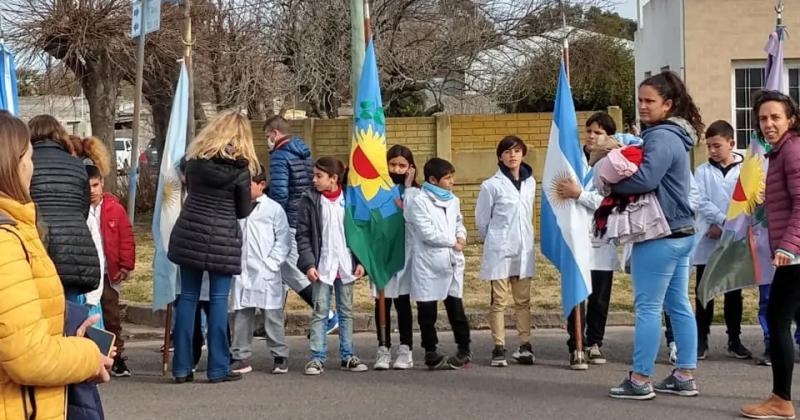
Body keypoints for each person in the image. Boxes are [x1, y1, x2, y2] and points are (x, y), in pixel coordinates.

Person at [0, 111, 113, 419]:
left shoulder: (20, 229)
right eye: (30, 158)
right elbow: (28, 355)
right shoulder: (6, 241)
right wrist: (87, 355)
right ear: (15, 163)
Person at [607, 71, 702, 400]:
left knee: (648, 307)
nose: (643, 107)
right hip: (682, 232)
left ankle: (639, 379)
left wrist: (610, 185)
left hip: (659, 233)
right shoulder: (677, 135)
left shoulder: (661, 136)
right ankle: (684, 375)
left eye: (650, 101)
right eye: (640, 101)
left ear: (669, 104)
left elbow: (646, 178)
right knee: (678, 304)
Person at [168, 110, 259, 384]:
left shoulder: (194, 162)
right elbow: (242, 212)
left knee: (187, 298)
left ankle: (182, 367)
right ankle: (218, 367)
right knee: (219, 301)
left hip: (189, 232)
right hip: (222, 238)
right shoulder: (240, 171)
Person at [554, 112, 639, 370]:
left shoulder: (616, 162)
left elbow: (611, 203)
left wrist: (580, 194)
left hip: (602, 239)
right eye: (589, 131)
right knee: (577, 293)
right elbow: (560, 193)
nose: (592, 136)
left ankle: (594, 342)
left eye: (599, 132)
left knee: (600, 296)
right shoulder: (571, 160)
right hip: (576, 238)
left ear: (609, 137)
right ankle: (576, 343)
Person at [740, 91, 800, 419]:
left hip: (796, 256)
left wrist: (788, 246)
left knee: (777, 322)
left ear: (791, 119)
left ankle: (781, 400)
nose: (769, 124)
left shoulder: (792, 151)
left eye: (776, 117)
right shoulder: (781, 152)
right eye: (763, 118)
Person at [264, 115, 338, 333]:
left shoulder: (279, 155)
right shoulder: (304, 153)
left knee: (292, 270)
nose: (267, 140)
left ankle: (328, 315)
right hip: (303, 213)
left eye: (267, 136)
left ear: (275, 134)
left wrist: (272, 218)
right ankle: (271, 323)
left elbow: (280, 191)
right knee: (281, 272)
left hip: (288, 218)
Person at [297, 157, 368, 375]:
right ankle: (317, 357)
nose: (314, 180)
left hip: (345, 264)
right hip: (322, 266)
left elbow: (361, 232)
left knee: (346, 311)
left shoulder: (350, 199)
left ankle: (348, 355)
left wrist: (361, 262)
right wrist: (309, 263)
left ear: (334, 178)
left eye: (319, 176)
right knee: (320, 311)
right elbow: (303, 235)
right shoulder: (310, 199)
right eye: (314, 175)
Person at [687, 120, 751, 360]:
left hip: (735, 238)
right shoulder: (703, 171)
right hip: (709, 236)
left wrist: (730, 225)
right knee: (705, 290)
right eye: (709, 147)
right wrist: (720, 221)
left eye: (717, 146)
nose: (712, 151)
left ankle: (734, 339)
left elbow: (747, 201)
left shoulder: (745, 170)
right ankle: (701, 338)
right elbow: (698, 200)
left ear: (731, 143)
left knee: (733, 291)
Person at [475, 135, 536, 367]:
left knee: (523, 300)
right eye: (508, 151)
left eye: (517, 151)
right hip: (499, 249)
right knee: (499, 301)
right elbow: (482, 221)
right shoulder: (491, 185)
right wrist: (494, 240)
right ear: (500, 156)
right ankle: (499, 346)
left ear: (523, 154)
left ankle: (525, 345)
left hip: (523, 249)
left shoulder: (530, 183)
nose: (513, 155)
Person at [406, 157, 472, 370]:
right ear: (433, 180)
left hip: (451, 261)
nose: (452, 181)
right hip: (429, 263)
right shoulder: (419, 201)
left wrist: (461, 237)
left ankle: (464, 348)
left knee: (456, 309)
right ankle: (430, 351)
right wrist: (453, 242)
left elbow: (459, 222)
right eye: (448, 178)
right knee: (428, 310)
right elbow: (426, 233)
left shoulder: (453, 200)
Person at [28, 114, 101, 302]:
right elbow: (84, 208)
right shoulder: (77, 165)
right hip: (75, 246)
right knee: (69, 310)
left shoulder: (26, 163)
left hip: (38, 243)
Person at [230, 167, 292, 375]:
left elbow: (283, 240)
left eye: (248, 185)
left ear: (261, 185)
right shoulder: (236, 207)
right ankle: (240, 355)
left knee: (272, 316)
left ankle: (279, 354)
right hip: (242, 270)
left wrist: (271, 264)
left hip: (266, 271)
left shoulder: (273, 209)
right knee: (241, 315)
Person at [86, 165, 136, 377]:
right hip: (89, 271)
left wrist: (126, 265)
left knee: (111, 315)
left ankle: (116, 357)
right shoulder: (80, 209)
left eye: (95, 185)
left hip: (108, 272)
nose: (92, 190)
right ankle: (91, 355)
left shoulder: (115, 209)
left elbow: (126, 238)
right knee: (90, 316)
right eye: (88, 186)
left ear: (102, 183)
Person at [373, 145, 419, 371]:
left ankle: (405, 348)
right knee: (382, 300)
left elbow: (414, 217)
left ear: (411, 168)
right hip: (382, 252)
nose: (397, 169)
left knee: (402, 302)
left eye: (402, 165)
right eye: (393, 164)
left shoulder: (416, 193)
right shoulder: (378, 190)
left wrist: (408, 188)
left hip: (406, 252)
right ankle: (383, 348)